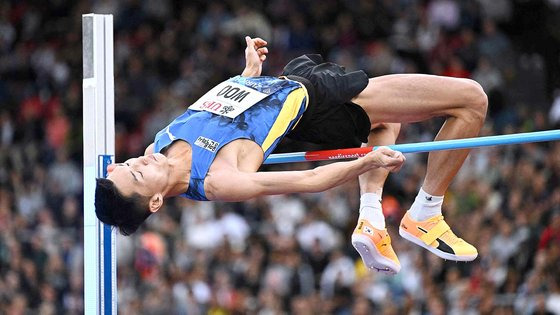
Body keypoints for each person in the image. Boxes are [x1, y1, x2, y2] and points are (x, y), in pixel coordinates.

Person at [96, 36, 487, 274]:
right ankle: (425, 214)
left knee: (383, 122)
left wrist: (248, 73)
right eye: (139, 174)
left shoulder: (156, 147)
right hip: (318, 102)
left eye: (130, 164)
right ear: (157, 200)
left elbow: (216, 113)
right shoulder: (217, 180)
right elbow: (308, 180)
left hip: (295, 85)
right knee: (471, 100)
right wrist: (365, 162)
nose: (140, 162)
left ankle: (371, 220)